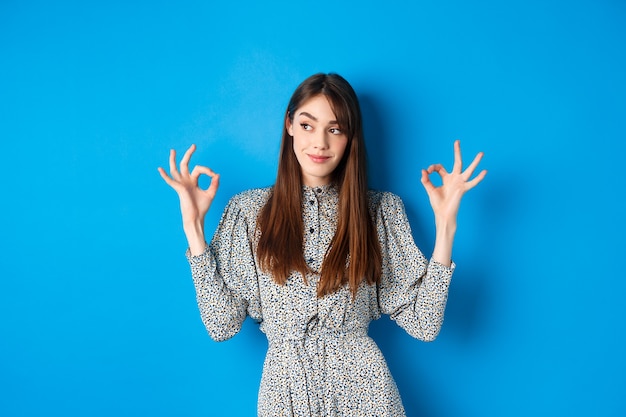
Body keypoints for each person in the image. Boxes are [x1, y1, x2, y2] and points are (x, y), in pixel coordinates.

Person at [158, 73, 486, 417]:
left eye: (335, 129)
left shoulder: (379, 211)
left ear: (350, 138)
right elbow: (220, 325)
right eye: (307, 125)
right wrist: (193, 229)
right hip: (285, 395)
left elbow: (424, 323)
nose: (320, 143)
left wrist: (446, 225)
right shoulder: (249, 211)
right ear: (289, 125)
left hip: (366, 394)